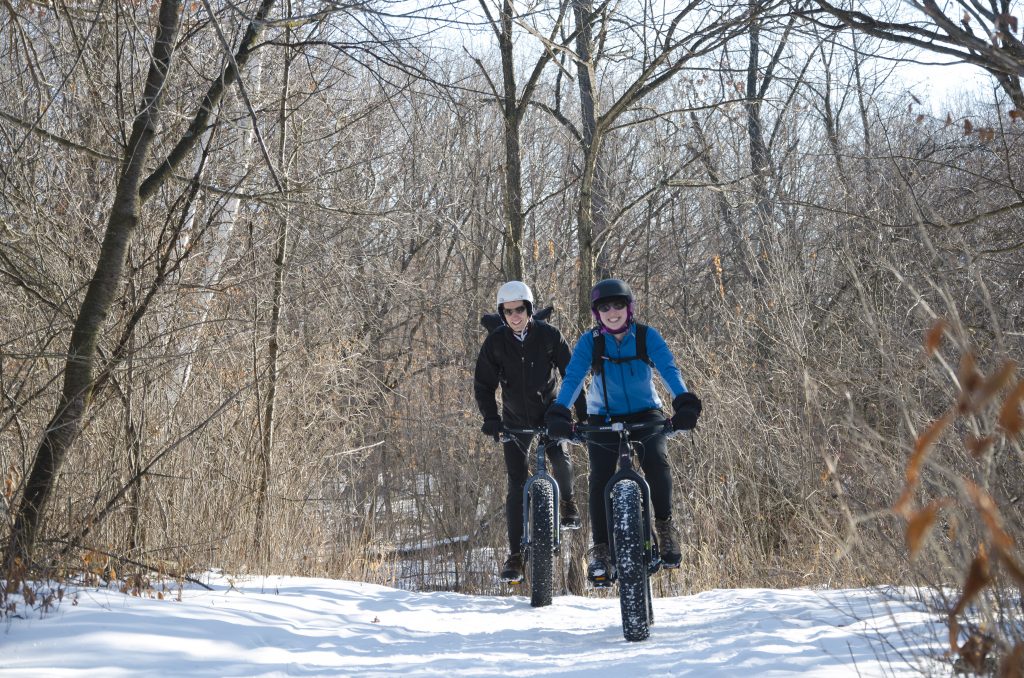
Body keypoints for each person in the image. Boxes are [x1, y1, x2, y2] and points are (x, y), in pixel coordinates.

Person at [544, 278, 702, 584]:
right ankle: (601, 549)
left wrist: (683, 401)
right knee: (600, 478)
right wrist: (560, 411)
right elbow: (574, 377)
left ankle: (666, 528)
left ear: (628, 309)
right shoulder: (591, 342)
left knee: (656, 460)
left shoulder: (646, 336)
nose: (612, 312)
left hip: (645, 412)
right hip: (602, 416)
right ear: (597, 313)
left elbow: (669, 369)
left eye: (618, 305)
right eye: (605, 307)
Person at [474, 280, 586, 583]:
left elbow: (572, 376)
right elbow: (484, 384)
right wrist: (491, 418)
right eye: (507, 311)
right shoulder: (496, 342)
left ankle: (567, 502)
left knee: (560, 460)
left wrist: (582, 417)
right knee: (516, 484)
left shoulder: (550, 336)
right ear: (502, 313)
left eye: (519, 309)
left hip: (550, 414)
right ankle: (516, 555)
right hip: (514, 420)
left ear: (529, 309)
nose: (514, 316)